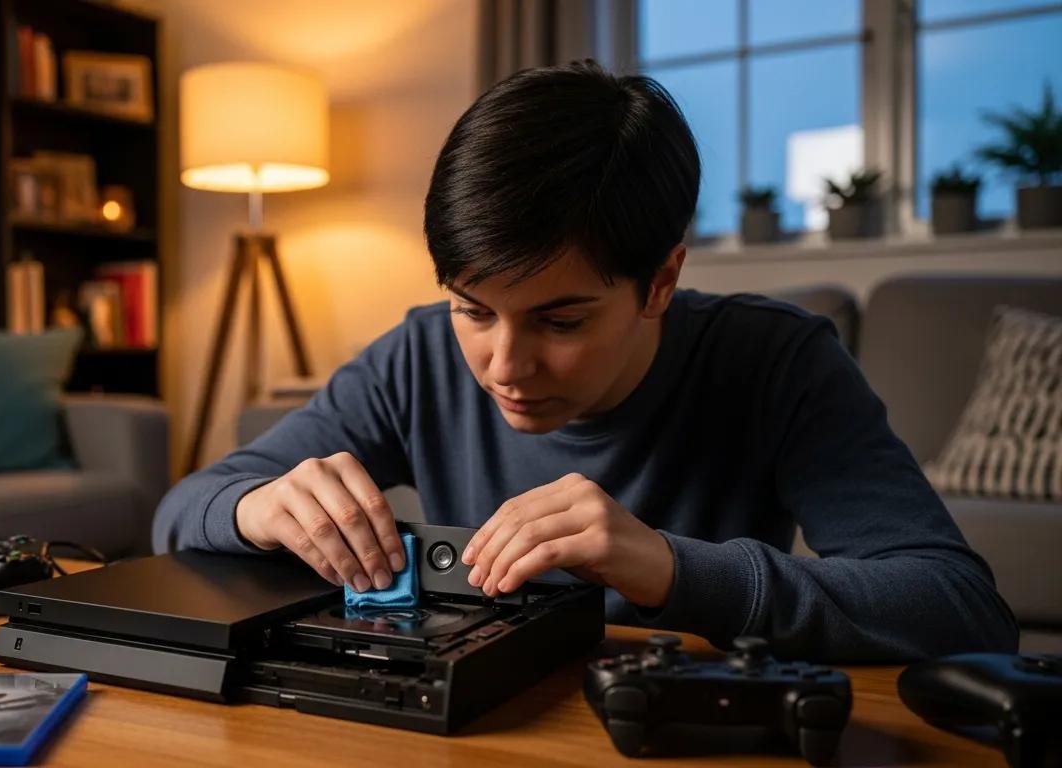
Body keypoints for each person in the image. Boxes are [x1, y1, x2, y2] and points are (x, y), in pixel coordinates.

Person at [152, 59, 1017, 662]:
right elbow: (180, 512)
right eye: (472, 308)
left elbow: (959, 607)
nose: (503, 365)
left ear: (661, 280)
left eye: (560, 320)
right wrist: (258, 506)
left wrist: (673, 569)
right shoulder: (417, 354)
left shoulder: (776, 360)